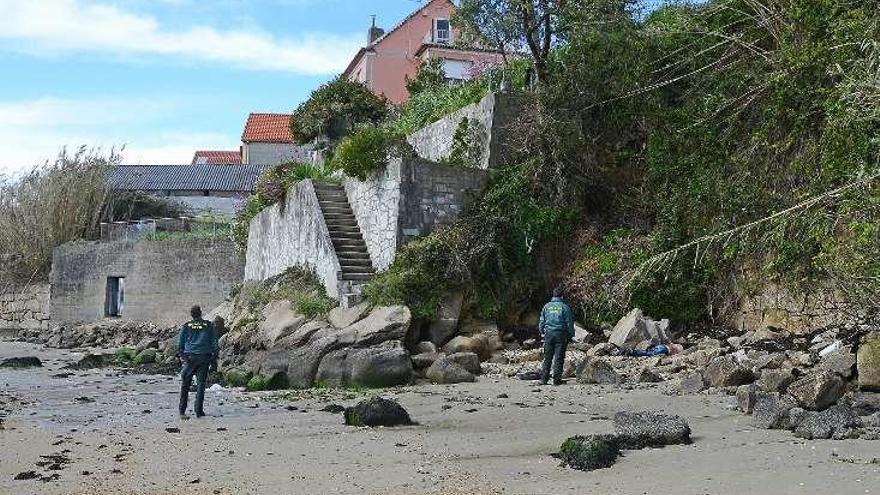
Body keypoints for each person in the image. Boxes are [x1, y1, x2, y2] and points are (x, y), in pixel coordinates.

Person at [177, 305, 218, 419]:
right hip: (204, 357)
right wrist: (214, 358)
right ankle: (198, 411)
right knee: (201, 385)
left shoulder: (187, 326)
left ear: (191, 314)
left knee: (185, 385)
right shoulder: (208, 325)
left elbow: (180, 344)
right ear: (200, 313)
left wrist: (183, 357)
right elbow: (214, 342)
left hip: (190, 358)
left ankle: (182, 410)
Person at [538, 287, 574, 385]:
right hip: (560, 334)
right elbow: (569, 323)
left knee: (547, 357)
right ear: (562, 296)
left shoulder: (546, 306)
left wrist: (542, 332)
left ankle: (544, 379)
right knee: (559, 358)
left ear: (553, 295)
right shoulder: (565, 307)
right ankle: (556, 380)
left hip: (548, 334)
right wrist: (571, 335)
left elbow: (542, 321)